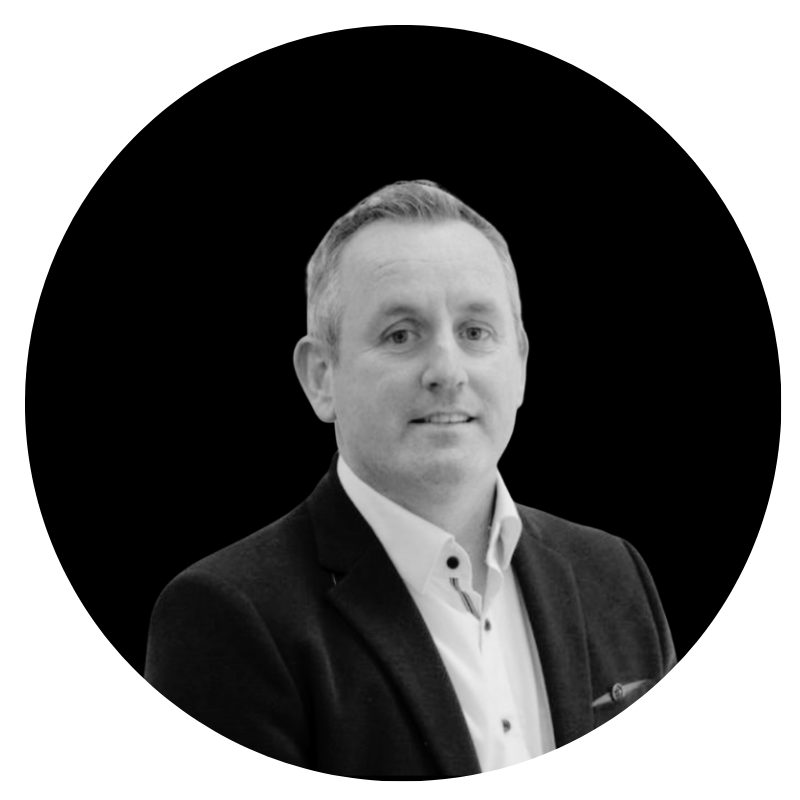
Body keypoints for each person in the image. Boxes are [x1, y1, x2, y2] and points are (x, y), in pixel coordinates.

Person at [144, 179, 676, 778]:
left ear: (521, 364)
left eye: (475, 332)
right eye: (401, 334)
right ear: (321, 376)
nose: (447, 371)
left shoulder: (615, 573)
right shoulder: (223, 618)